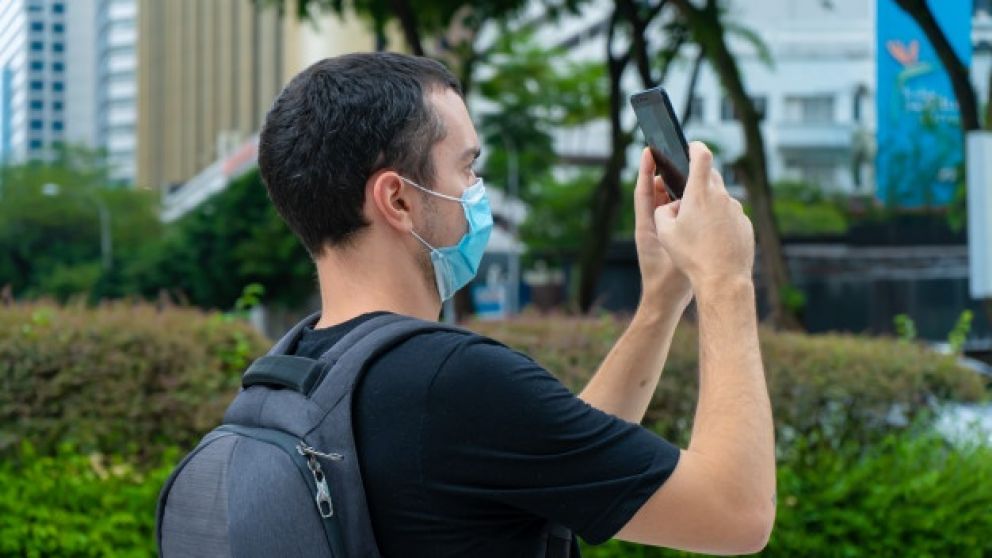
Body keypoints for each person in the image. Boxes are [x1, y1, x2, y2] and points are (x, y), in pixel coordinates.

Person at [256, 52, 775, 557]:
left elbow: (559, 449)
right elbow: (736, 513)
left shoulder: (294, 371)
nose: (477, 190)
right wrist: (725, 278)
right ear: (398, 200)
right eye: (467, 168)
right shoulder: (455, 383)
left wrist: (662, 300)